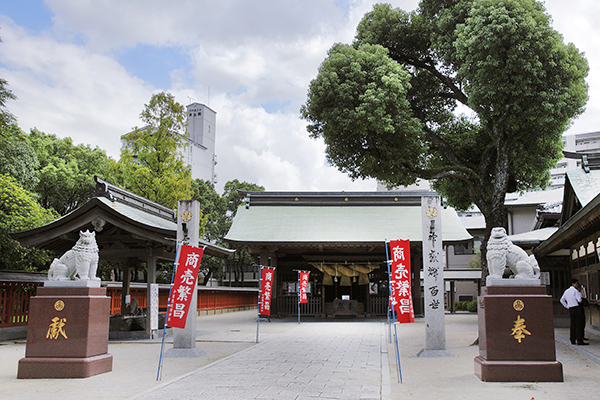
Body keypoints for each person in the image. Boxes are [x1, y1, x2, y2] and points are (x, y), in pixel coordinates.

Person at [560, 279, 588, 345]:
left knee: (573, 324)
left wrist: (567, 306)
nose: (577, 285)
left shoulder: (566, 291)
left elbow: (562, 300)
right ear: (573, 284)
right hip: (577, 308)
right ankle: (579, 339)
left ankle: (572, 339)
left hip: (571, 308)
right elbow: (579, 300)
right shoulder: (575, 291)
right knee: (579, 324)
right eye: (576, 283)